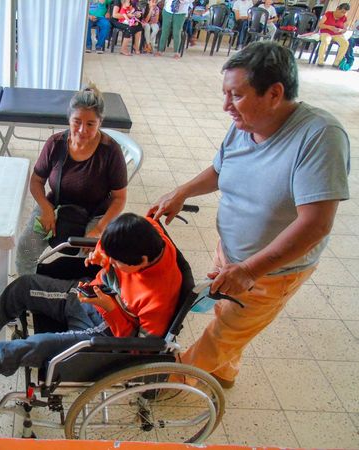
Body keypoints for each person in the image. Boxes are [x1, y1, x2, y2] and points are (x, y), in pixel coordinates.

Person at [148, 42, 350, 389]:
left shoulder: (320, 137)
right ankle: (225, 371)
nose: (226, 106)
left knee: (222, 335)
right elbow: (220, 169)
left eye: (236, 95)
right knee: (225, 314)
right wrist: (182, 192)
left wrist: (250, 270)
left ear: (274, 94)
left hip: (270, 271)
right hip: (231, 251)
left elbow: (316, 224)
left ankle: (170, 382)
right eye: (225, 94)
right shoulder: (245, 123)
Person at [0, 213, 183, 379]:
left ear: (142, 261)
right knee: (24, 286)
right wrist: (100, 253)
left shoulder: (159, 298)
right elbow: (110, 240)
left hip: (104, 331)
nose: (113, 264)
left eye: (117, 262)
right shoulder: (146, 230)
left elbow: (140, 349)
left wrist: (110, 308)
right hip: (87, 293)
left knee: (39, 344)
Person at [15, 84, 127, 276]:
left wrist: (100, 228)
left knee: (88, 261)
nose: (82, 130)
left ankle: (76, 293)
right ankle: (29, 288)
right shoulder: (55, 144)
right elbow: (36, 181)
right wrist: (46, 208)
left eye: (90, 124)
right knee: (24, 250)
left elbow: (119, 198)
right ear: (69, 119)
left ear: (100, 122)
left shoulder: (111, 151)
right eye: (77, 122)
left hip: (96, 214)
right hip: (55, 205)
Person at [316, 3, 350, 67]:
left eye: (344, 13)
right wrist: (329, 27)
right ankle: (320, 61)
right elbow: (320, 25)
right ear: (337, 8)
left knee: (345, 43)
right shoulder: (328, 14)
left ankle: (336, 63)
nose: (342, 14)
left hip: (337, 34)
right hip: (326, 32)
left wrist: (340, 30)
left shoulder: (344, 18)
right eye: (342, 12)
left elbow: (345, 29)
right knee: (326, 40)